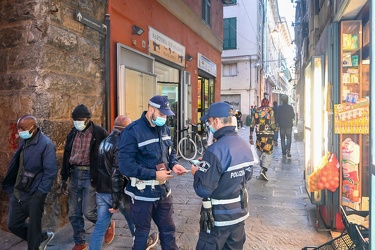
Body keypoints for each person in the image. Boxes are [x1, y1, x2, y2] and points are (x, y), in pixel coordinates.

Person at [118, 95, 187, 250]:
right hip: (142, 194)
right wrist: (154, 175)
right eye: (161, 114)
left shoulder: (166, 129)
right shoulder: (132, 131)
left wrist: (174, 164)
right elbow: (125, 166)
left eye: (166, 115)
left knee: (168, 230)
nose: (164, 118)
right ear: (151, 110)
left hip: (163, 192)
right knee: (142, 233)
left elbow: (170, 152)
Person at [191, 102, 254, 249]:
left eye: (210, 121)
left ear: (217, 121)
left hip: (217, 220)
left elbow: (204, 189)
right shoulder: (245, 145)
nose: (209, 125)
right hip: (238, 216)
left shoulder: (215, 150)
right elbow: (248, 175)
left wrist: (197, 173)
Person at [90, 115, 159, 250]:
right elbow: (117, 174)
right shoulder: (122, 144)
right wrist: (116, 199)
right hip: (116, 191)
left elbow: (98, 166)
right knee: (134, 219)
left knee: (100, 226)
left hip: (102, 190)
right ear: (126, 129)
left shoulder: (104, 142)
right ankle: (142, 242)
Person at [2, 115, 57, 250]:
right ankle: (43, 237)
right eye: (19, 128)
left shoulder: (46, 144)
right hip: (18, 192)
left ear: (34, 127)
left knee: (33, 228)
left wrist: (39, 194)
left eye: (23, 128)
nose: (20, 131)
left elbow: (50, 172)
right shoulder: (24, 141)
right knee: (13, 224)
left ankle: (36, 243)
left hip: (34, 194)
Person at [60, 104, 109, 250]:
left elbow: (109, 153)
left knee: (88, 211)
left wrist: (106, 176)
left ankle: (106, 223)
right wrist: (64, 177)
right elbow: (66, 156)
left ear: (87, 119)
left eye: (79, 119)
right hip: (74, 173)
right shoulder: (72, 133)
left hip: (90, 175)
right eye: (75, 119)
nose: (77, 122)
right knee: (74, 212)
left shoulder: (99, 133)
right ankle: (80, 242)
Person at [249, 98, 276, 181]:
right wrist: (275, 129)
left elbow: (252, 123)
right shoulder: (270, 110)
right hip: (269, 135)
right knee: (268, 152)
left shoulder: (257, 110)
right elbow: (272, 123)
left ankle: (259, 167)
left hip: (259, 135)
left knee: (260, 150)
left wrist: (250, 136)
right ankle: (264, 170)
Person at [276, 95, 295, 159]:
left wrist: (277, 123)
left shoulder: (279, 107)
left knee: (282, 139)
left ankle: (283, 152)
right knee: (289, 138)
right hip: (289, 125)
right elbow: (293, 115)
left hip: (282, 125)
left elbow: (277, 116)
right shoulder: (290, 107)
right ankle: (288, 149)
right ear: (287, 100)